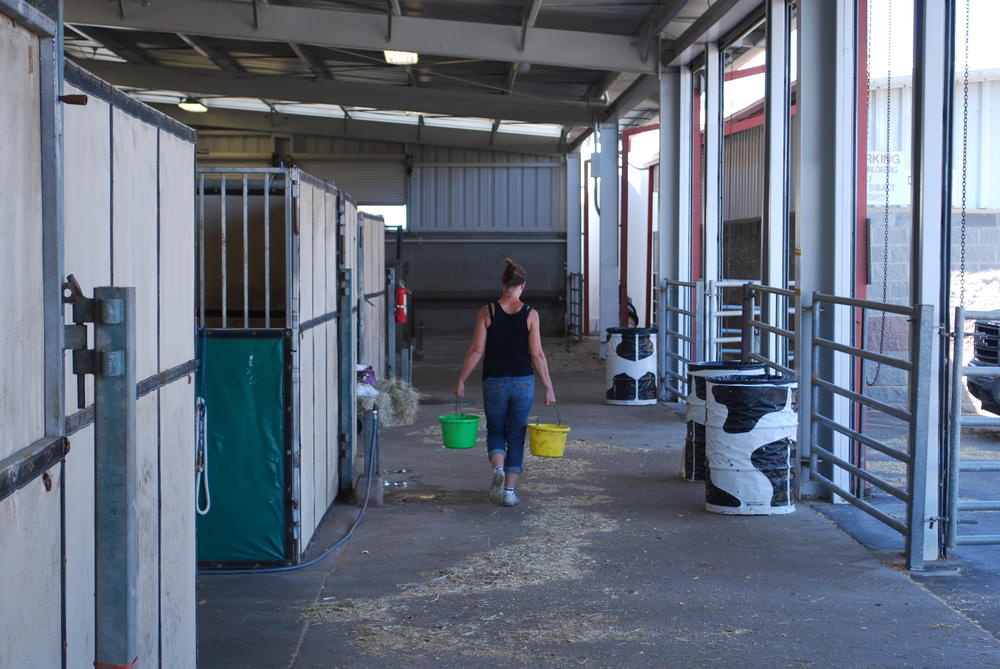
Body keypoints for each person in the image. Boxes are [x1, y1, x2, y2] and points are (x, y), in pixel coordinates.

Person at [454, 258, 556, 507]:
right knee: (517, 434)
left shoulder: (486, 311)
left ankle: (497, 470)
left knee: (496, 430)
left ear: (503, 284)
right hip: (523, 382)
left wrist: (461, 379)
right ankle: (509, 492)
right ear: (523, 286)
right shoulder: (531, 314)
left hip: (494, 381)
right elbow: (537, 355)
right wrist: (549, 387)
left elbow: (477, 351)